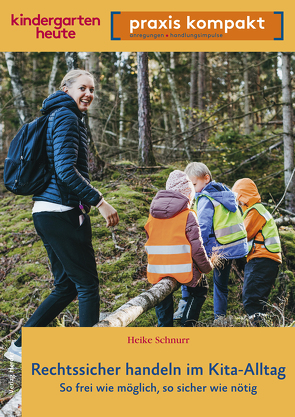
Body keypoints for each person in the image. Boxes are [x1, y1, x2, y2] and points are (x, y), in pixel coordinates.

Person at [4, 69, 119, 363]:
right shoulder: (67, 117)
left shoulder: (58, 114)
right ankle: (90, 358)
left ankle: (21, 345)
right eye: (82, 88)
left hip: (46, 211)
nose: (88, 94)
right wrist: (100, 201)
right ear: (66, 89)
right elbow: (67, 172)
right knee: (87, 285)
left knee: (67, 285)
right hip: (62, 211)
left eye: (92, 89)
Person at [174, 162, 248, 321]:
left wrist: (195, 249)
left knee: (188, 268)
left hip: (215, 249)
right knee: (221, 285)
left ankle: (184, 303)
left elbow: (203, 227)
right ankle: (219, 318)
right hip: (232, 247)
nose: (193, 189)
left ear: (206, 178)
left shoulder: (205, 198)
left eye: (194, 184)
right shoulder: (225, 193)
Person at [144, 170, 213, 327]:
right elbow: (196, 248)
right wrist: (206, 267)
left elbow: (150, 242)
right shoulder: (188, 215)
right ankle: (187, 325)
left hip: (157, 270)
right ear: (188, 195)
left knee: (162, 298)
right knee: (201, 290)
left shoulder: (152, 214)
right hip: (183, 269)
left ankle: (164, 329)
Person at [232, 178, 282, 326]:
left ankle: (260, 330)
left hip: (262, 259)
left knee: (252, 299)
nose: (237, 202)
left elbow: (243, 234)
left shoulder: (255, 211)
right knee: (257, 300)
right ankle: (262, 327)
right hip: (264, 259)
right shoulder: (253, 210)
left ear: (244, 196)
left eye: (238, 197)